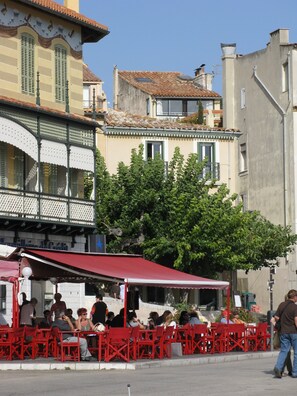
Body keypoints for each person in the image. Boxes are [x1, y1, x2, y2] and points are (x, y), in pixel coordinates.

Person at [272, 289, 297, 378]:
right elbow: (296, 320)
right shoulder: (295, 307)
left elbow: (276, 317)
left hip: (283, 332)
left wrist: (283, 322)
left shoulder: (281, 305)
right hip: (294, 332)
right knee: (296, 352)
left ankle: (278, 368)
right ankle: (295, 372)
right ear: (294, 297)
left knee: (284, 351)